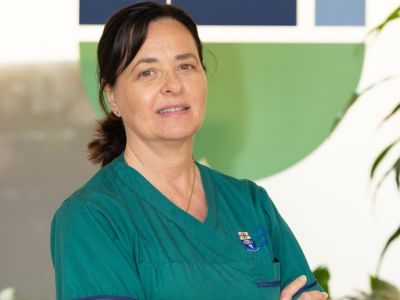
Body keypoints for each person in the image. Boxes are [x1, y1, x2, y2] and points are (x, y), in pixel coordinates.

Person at [50, 2, 328, 299]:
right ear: (112, 97)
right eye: (147, 72)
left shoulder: (250, 203)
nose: (173, 85)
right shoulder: (92, 218)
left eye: (185, 66)